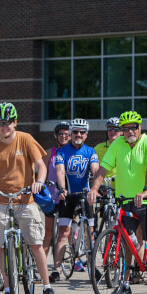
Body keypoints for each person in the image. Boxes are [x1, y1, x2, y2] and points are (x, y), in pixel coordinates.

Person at [0, 102, 60, 294]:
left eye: (8, 123)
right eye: (1, 123)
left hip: (25, 198)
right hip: (2, 199)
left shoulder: (25, 139)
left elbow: (41, 165)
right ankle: (6, 288)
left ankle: (47, 287)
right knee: (0, 244)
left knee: (35, 243)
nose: (4, 127)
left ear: (15, 122)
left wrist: (39, 182)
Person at [88, 111, 147, 294]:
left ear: (140, 127)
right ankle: (125, 285)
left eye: (133, 127)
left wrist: (145, 190)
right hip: (125, 200)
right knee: (127, 242)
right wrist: (94, 189)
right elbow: (103, 168)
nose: (129, 132)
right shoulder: (118, 144)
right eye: (125, 129)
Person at [55, 118, 99, 276]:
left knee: (89, 230)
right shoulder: (62, 151)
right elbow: (60, 172)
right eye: (75, 132)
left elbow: (95, 169)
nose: (78, 134)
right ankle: (57, 269)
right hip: (68, 195)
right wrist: (62, 189)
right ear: (70, 134)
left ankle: (92, 267)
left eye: (82, 132)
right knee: (63, 232)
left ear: (86, 135)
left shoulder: (90, 151)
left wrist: (96, 187)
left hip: (86, 195)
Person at [42, 121, 70, 283]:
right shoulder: (49, 153)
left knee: (63, 233)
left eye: (67, 134)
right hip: (52, 198)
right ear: (56, 136)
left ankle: (57, 269)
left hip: (68, 198)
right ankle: (42, 266)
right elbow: (39, 170)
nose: (64, 137)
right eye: (61, 134)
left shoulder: (73, 153)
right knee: (48, 233)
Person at [93, 117, 122, 182]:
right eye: (110, 129)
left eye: (116, 129)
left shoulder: (126, 147)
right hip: (105, 186)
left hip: (121, 185)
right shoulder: (98, 148)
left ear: (121, 132)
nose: (112, 131)